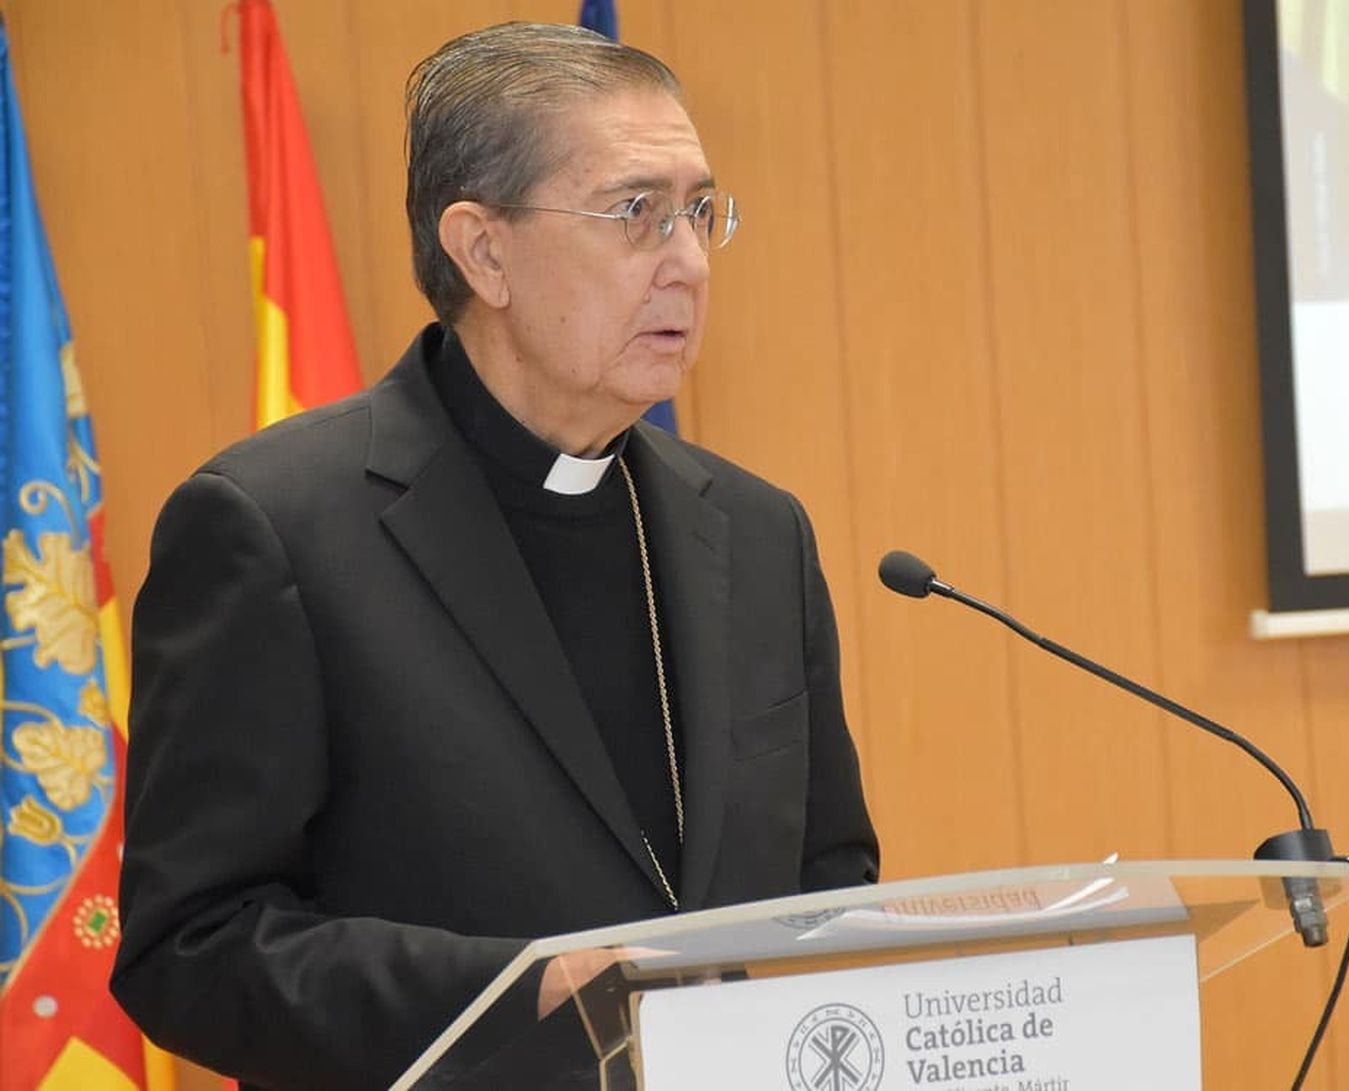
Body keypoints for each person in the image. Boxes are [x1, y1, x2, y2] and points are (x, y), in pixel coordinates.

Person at [110, 22, 877, 1090]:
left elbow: (826, 879)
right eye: (636, 212)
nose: (690, 261)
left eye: (701, 210)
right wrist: (516, 989)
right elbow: (190, 948)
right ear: (483, 250)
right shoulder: (273, 526)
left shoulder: (756, 533)